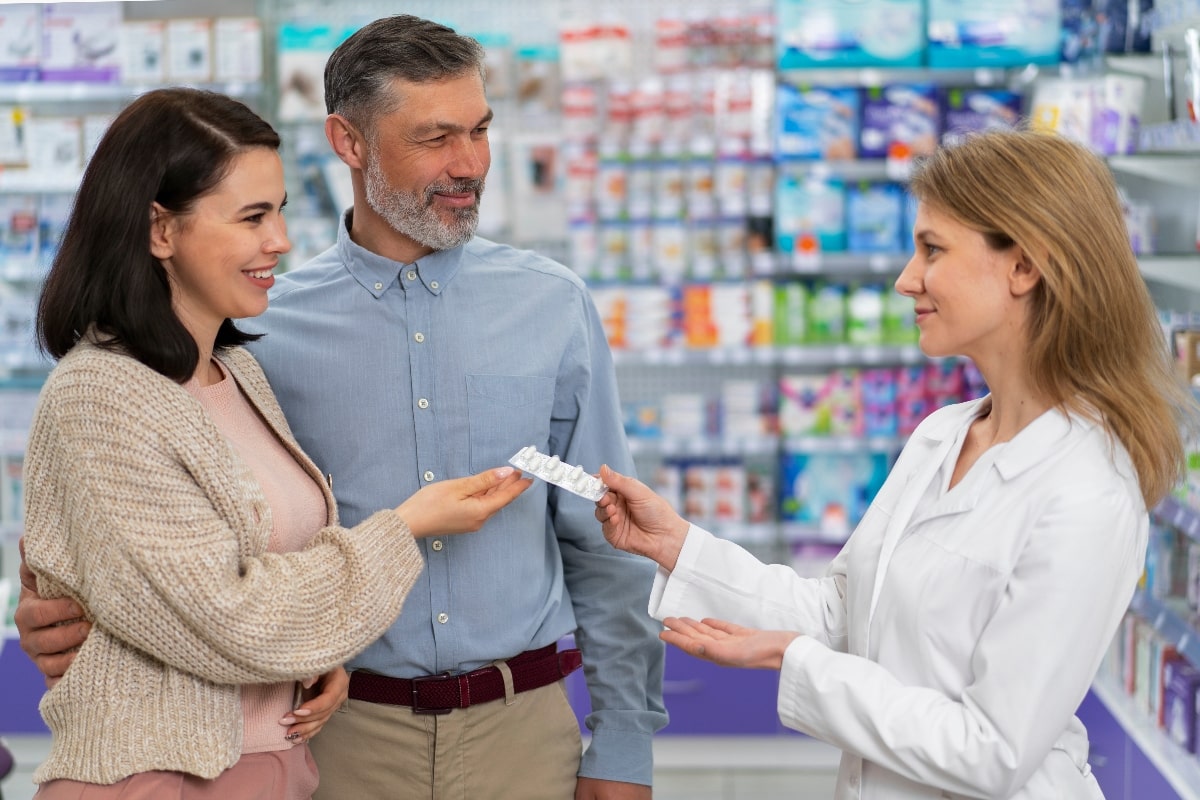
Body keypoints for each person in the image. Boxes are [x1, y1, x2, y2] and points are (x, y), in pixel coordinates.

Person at [17, 15, 666, 800]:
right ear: (349, 142)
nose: (470, 165)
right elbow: (186, 544)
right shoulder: (255, 330)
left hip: (521, 731)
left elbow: (604, 546)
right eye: (435, 138)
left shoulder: (553, 306)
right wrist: (78, 606)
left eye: (481, 130)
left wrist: (624, 742)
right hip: (334, 735)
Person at [594, 128, 1195, 799]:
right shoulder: (944, 435)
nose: (907, 277)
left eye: (932, 249)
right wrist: (677, 546)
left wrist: (793, 661)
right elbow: (842, 613)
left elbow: (992, 752)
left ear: (1025, 267)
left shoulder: (1086, 491)